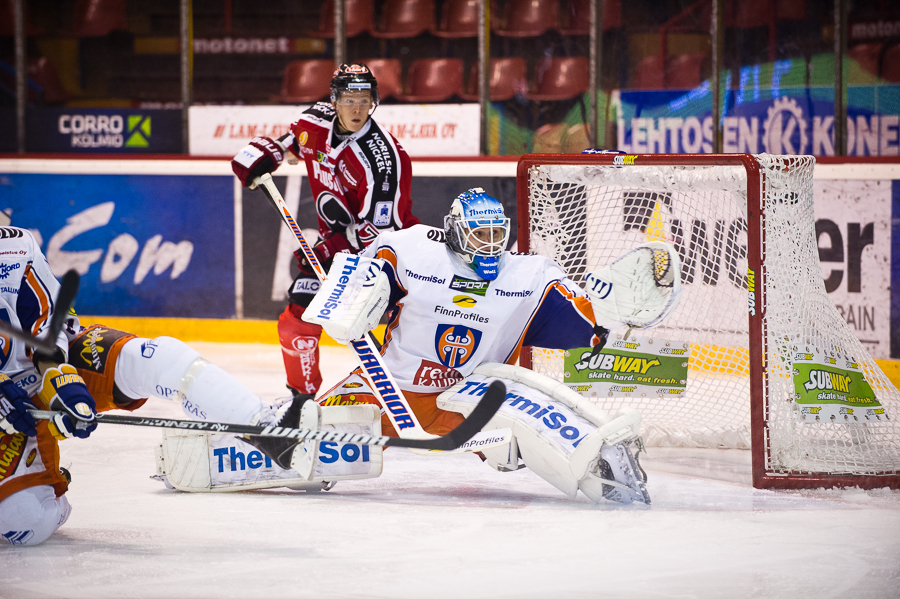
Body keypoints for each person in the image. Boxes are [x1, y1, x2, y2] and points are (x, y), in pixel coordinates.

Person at [298, 188, 683, 504]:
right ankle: (268, 451)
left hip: (474, 396)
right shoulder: (411, 249)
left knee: (551, 424)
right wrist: (351, 300)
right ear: (455, 231)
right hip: (389, 389)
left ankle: (602, 465)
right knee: (303, 442)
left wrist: (605, 309)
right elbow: (361, 276)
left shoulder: (531, 276)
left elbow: (580, 325)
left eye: (497, 234)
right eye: (479, 234)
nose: (490, 245)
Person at [0, 221, 294, 545]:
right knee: (29, 524)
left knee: (159, 360)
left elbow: (48, 321)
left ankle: (260, 424)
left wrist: (58, 376)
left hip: (34, 369)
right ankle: (40, 474)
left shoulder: (14, 245)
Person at [230, 63, 419, 406]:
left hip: (389, 254)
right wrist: (267, 155)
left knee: (399, 328)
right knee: (295, 323)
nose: (357, 108)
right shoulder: (314, 120)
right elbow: (294, 144)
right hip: (337, 247)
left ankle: (413, 392)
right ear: (333, 101)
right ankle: (301, 402)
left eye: (364, 99)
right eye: (349, 99)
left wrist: (328, 248)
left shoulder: (383, 161)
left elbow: (379, 233)